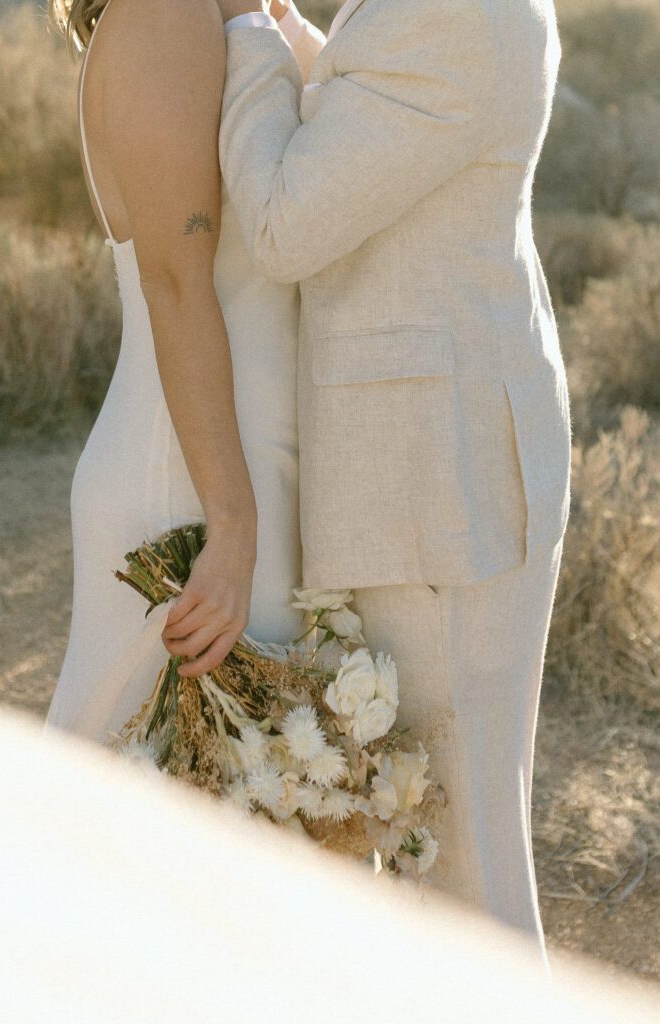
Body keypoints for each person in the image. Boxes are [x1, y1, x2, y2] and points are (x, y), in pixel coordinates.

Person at [214, 0, 572, 967]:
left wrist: (246, 31)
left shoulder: (452, 14)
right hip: (444, 440)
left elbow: (287, 226)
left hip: (437, 470)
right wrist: (292, 30)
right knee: (445, 828)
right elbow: (375, 109)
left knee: (462, 863)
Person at [43, 0, 324, 743]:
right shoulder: (162, 12)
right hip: (185, 488)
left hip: (231, 465)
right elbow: (174, 280)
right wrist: (230, 526)